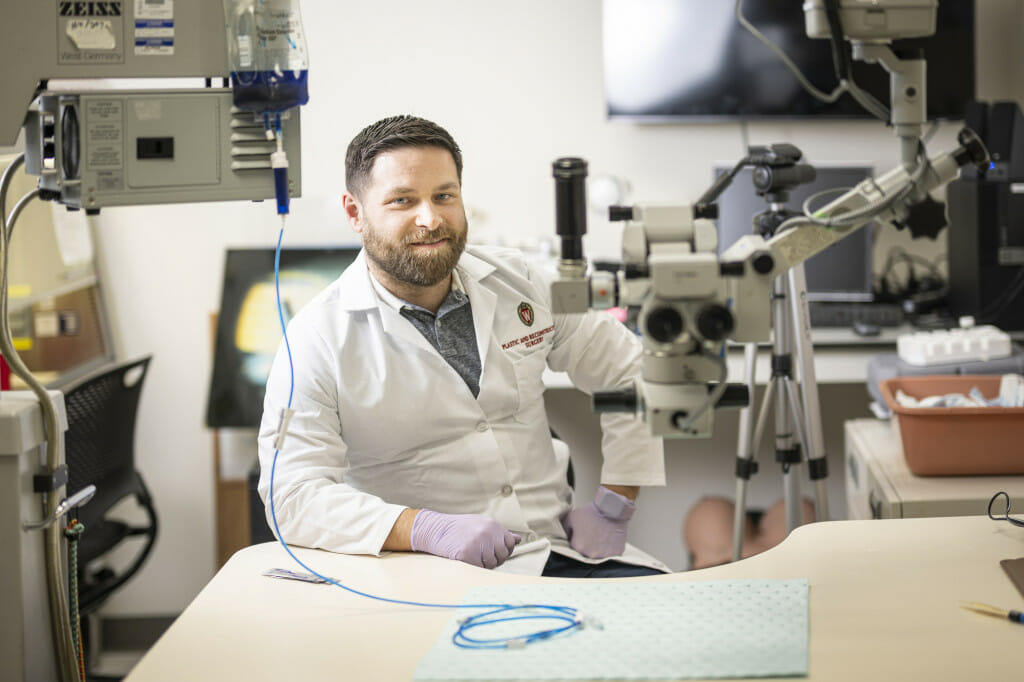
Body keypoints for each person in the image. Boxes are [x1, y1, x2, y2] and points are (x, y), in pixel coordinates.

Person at [257, 114, 668, 577]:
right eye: (402, 200)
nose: (430, 218)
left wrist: (614, 506)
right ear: (355, 212)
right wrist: (422, 529)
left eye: (444, 196)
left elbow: (628, 370)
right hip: (421, 572)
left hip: (558, 555)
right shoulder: (317, 337)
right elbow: (291, 495)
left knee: (670, 628)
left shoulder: (520, 281)